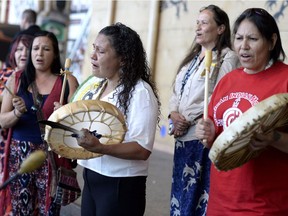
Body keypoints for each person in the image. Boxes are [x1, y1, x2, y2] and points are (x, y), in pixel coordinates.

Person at [195, 8, 288, 215]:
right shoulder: (228, 80)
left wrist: (274, 137)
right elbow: (218, 135)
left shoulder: (285, 79)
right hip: (221, 201)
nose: (243, 46)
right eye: (238, 38)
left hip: (265, 206)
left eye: (253, 39)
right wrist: (209, 133)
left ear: (272, 42)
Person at [71, 22, 160, 216]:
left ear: (123, 59)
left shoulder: (140, 93)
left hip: (120, 184)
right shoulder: (97, 86)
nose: (92, 56)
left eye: (101, 51)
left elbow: (142, 149)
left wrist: (101, 148)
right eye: (93, 49)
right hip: (92, 176)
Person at [168, 4, 240, 216]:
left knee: (198, 199)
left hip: (203, 139)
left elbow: (221, 97)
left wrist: (188, 120)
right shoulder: (191, 59)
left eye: (204, 22)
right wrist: (174, 115)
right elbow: (175, 93)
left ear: (220, 29)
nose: (198, 27)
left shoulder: (228, 58)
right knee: (180, 197)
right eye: (197, 23)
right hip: (182, 138)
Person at [0, 30, 79, 215]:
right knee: (21, 210)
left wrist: (64, 116)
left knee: (49, 210)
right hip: (20, 156)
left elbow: (78, 127)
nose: (39, 54)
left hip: (52, 157)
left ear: (55, 54)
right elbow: (2, 121)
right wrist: (17, 112)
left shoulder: (67, 81)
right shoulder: (17, 79)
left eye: (46, 49)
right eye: (35, 48)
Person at [0, 33, 33, 216]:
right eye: (19, 49)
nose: (24, 53)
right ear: (13, 52)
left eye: (28, 49)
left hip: (21, 148)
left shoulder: (36, 80)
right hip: (4, 145)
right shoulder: (6, 76)